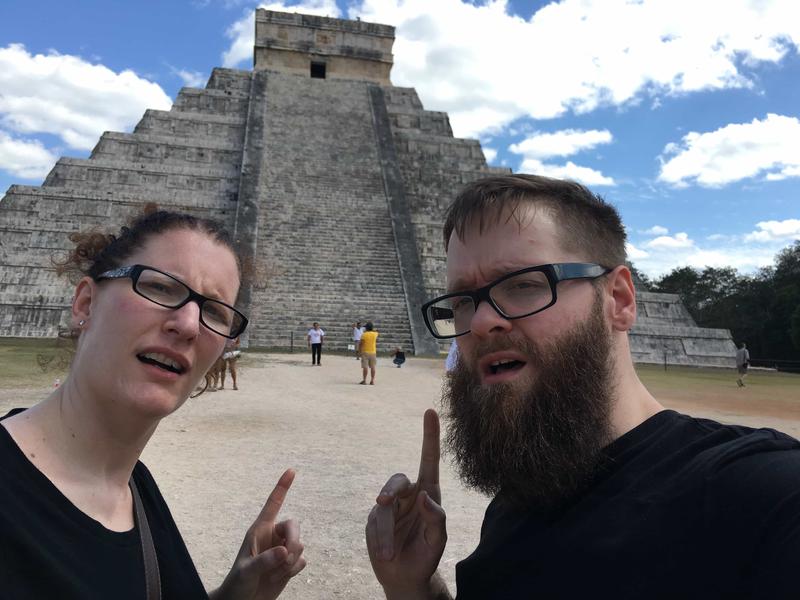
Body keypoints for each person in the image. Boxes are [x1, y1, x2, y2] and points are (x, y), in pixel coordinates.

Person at [365, 174, 800, 599]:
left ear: (619, 300)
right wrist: (412, 587)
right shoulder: (521, 497)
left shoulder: (759, 499)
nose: (479, 322)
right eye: (462, 301)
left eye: (523, 285)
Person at [1, 207, 306, 598]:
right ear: (85, 304)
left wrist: (236, 593)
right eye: (161, 287)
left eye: (214, 311)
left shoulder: (136, 490)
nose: (189, 325)